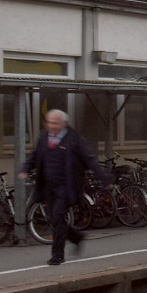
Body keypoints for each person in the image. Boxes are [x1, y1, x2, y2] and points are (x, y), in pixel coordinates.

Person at [18, 109, 113, 265]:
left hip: (66, 185)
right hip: (48, 185)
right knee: (53, 219)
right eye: (49, 122)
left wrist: (104, 178)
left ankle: (57, 255)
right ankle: (76, 236)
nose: (51, 126)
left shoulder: (74, 139)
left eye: (55, 123)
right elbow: (35, 155)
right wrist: (25, 169)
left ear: (64, 124)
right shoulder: (44, 137)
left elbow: (89, 159)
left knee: (57, 216)